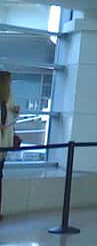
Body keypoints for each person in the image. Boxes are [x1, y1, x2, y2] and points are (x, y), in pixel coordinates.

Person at [0, 71, 21, 222]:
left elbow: (11, 116)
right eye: (8, 82)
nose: (10, 84)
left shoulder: (9, 97)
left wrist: (15, 111)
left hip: (4, 142)